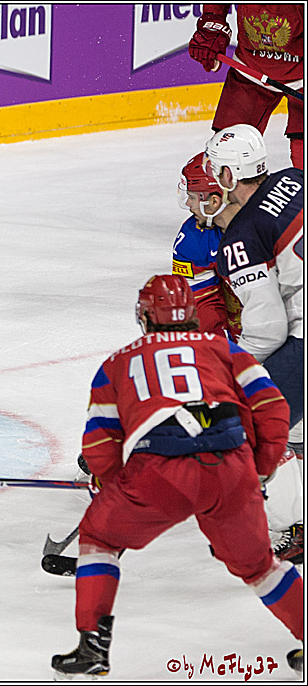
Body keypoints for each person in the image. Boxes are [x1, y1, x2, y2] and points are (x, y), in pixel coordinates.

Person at [51, 274, 303, 678]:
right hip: (232, 468)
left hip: (158, 474)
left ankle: (92, 647)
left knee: (99, 539)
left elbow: (100, 446)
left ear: (145, 317)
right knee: (259, 567)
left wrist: (113, 486)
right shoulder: (227, 350)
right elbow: (273, 408)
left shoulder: (117, 363)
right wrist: (258, 467)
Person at [204, 123, 304, 563]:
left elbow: (268, 330)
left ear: (228, 178)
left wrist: (235, 370)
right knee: (294, 419)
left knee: (256, 424)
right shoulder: (296, 179)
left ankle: (289, 527)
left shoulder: (241, 234)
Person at [188, 4, 304, 169]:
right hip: (249, 70)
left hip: (301, 76)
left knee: (302, 156)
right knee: (226, 153)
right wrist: (213, 21)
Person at [172, 152, 242, 339]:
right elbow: (200, 305)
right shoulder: (192, 237)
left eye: (192, 197)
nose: (188, 204)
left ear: (214, 201)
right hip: (249, 339)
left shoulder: (273, 223)